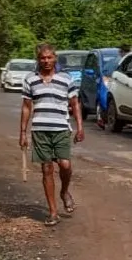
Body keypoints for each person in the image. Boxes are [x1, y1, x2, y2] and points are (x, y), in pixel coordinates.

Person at [20, 43, 84, 226]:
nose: (46, 61)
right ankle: (53, 212)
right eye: (42, 58)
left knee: (65, 165)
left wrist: (80, 127)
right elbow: (26, 107)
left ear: (55, 58)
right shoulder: (30, 79)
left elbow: (75, 104)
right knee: (46, 169)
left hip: (61, 128)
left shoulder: (65, 79)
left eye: (49, 57)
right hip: (40, 130)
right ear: (38, 59)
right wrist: (23, 132)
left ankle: (64, 191)